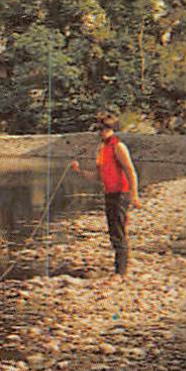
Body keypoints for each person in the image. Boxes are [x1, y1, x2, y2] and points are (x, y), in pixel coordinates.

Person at [70, 113, 141, 277]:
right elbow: (98, 176)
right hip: (109, 193)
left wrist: (134, 195)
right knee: (113, 231)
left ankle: (121, 272)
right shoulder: (102, 149)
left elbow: (131, 171)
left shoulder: (119, 147)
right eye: (100, 129)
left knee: (118, 231)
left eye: (104, 129)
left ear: (112, 129)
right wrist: (79, 171)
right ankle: (119, 269)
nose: (101, 132)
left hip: (121, 194)